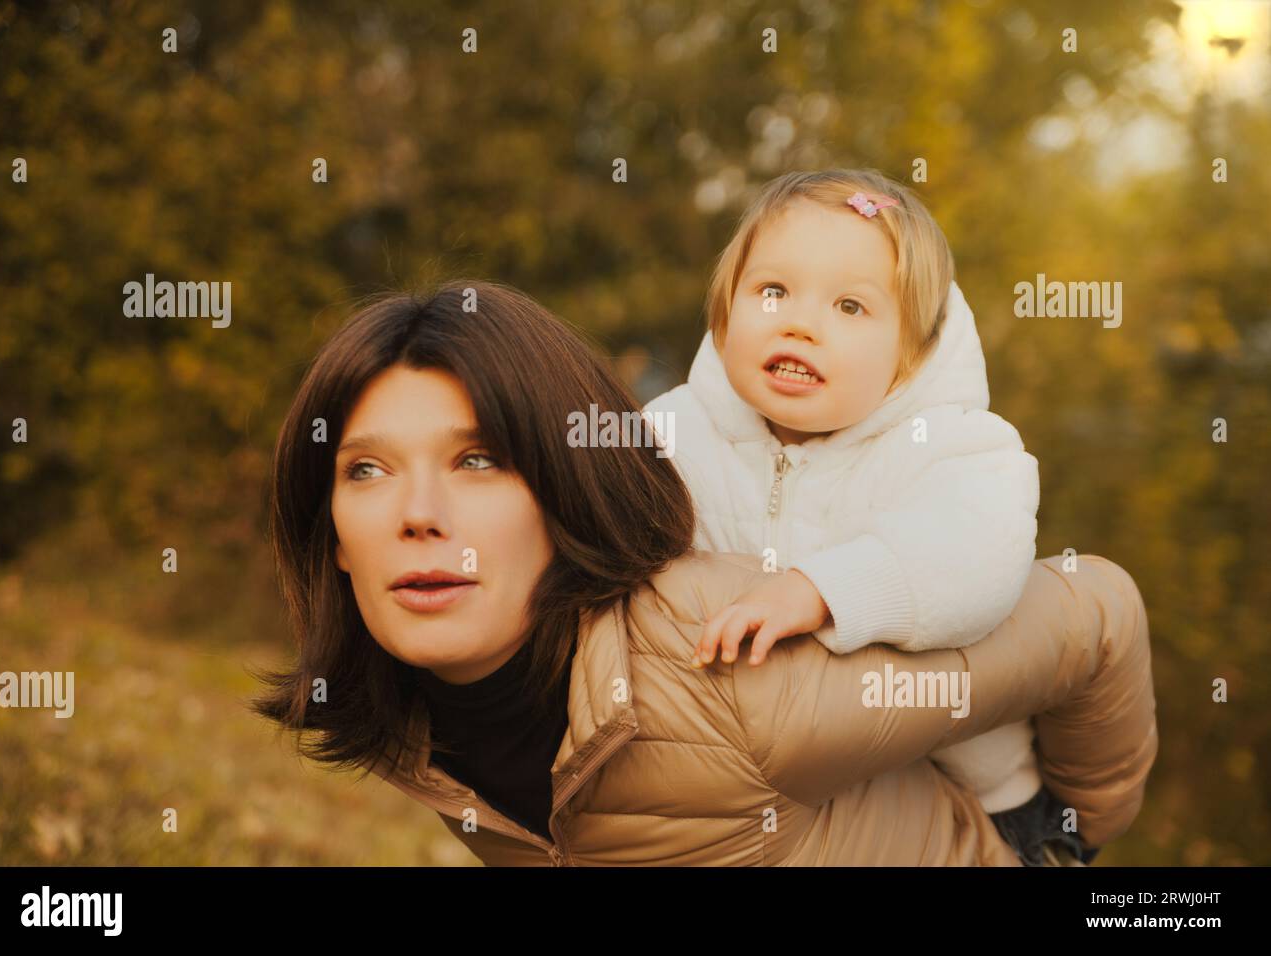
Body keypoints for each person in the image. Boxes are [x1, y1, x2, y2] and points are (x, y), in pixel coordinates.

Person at [252, 279, 1157, 866]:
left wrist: (1064, 835)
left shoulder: (733, 672)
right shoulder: (415, 715)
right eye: (364, 470)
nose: (416, 514)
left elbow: (1098, 611)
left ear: (569, 492)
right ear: (332, 533)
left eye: (479, 460)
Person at [641, 168, 1059, 859]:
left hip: (966, 788)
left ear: (912, 356)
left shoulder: (953, 446)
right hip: (762, 779)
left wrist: (822, 591)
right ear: (724, 313)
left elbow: (979, 552)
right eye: (772, 292)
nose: (800, 323)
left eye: (850, 308)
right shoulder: (673, 434)